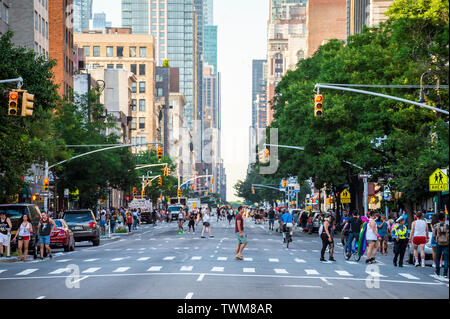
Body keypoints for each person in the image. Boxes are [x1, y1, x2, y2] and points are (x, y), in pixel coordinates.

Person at [433, 213, 448, 278]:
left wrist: (435, 239)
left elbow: (434, 235)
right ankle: (445, 273)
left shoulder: (436, 225)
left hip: (438, 243)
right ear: (444, 218)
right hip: (446, 243)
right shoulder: (447, 225)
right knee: (446, 258)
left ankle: (437, 272)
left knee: (438, 258)